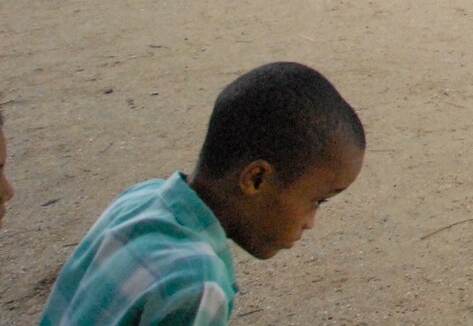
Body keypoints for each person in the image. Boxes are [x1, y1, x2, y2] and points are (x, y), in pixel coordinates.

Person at [39, 62, 364, 326]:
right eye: (317, 201)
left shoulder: (138, 199)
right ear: (255, 178)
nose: (311, 222)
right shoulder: (199, 283)